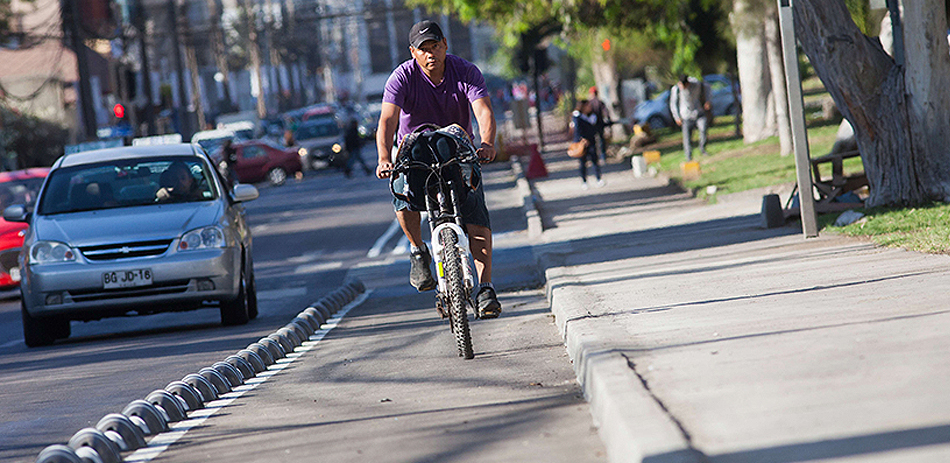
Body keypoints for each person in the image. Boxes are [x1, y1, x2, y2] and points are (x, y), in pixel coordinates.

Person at [375, 19, 502, 319]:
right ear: (413, 53)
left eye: (435, 46)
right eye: (423, 49)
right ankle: (418, 250)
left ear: (445, 44)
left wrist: (487, 142)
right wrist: (384, 157)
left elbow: (483, 110)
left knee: (475, 212)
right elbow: (387, 121)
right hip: (416, 151)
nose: (431, 53)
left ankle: (485, 288)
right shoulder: (401, 78)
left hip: (456, 150)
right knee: (400, 190)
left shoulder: (466, 71)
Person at [669, 74, 712, 161]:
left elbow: (707, 87)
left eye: (684, 85)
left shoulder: (696, 83)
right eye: (681, 85)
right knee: (687, 137)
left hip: (698, 112)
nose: (683, 87)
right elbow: (673, 104)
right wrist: (677, 117)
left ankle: (702, 148)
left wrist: (708, 100)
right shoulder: (676, 89)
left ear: (688, 83)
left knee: (703, 129)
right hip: (685, 115)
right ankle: (689, 156)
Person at [571, 99, 604, 189]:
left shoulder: (592, 116)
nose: (590, 107)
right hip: (581, 143)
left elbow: (597, 127)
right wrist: (582, 139)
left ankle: (598, 178)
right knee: (582, 163)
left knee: (594, 160)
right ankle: (584, 181)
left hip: (591, 141)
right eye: (588, 106)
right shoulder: (577, 116)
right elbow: (577, 130)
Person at [588, 86, 611, 162]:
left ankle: (594, 156)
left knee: (592, 140)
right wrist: (608, 120)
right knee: (601, 140)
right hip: (600, 124)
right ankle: (603, 156)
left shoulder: (589, 103)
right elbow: (606, 112)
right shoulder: (600, 102)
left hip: (591, 125)